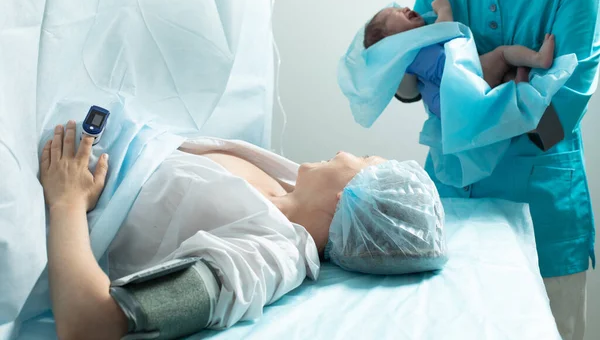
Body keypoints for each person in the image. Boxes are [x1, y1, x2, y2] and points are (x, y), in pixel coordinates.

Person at [40, 120, 444, 339]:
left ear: (356, 198)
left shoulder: (260, 261)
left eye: (361, 158)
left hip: (44, 199)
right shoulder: (290, 189)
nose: (343, 152)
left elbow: (91, 324)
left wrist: (67, 202)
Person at [410, 0, 600, 339]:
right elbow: (409, 79)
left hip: (541, 208)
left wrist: (456, 94)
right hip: (451, 199)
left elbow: (553, 118)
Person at [363, 0, 555, 116]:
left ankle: (517, 89)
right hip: (470, 77)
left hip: (461, 105)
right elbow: (445, 28)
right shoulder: (415, 49)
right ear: (390, 41)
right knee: (503, 55)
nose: (404, 7)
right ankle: (538, 59)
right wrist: (443, 7)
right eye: (396, 13)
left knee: (502, 84)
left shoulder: (412, 64)